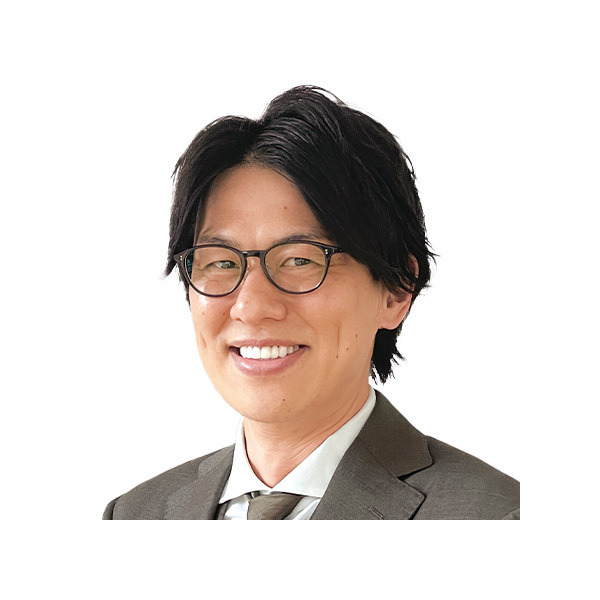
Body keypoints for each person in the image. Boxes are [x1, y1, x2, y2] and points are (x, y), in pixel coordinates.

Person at [103, 86, 519, 520]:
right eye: (221, 262)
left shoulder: (497, 518)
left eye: (300, 260)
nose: (251, 306)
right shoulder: (133, 515)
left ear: (396, 289)